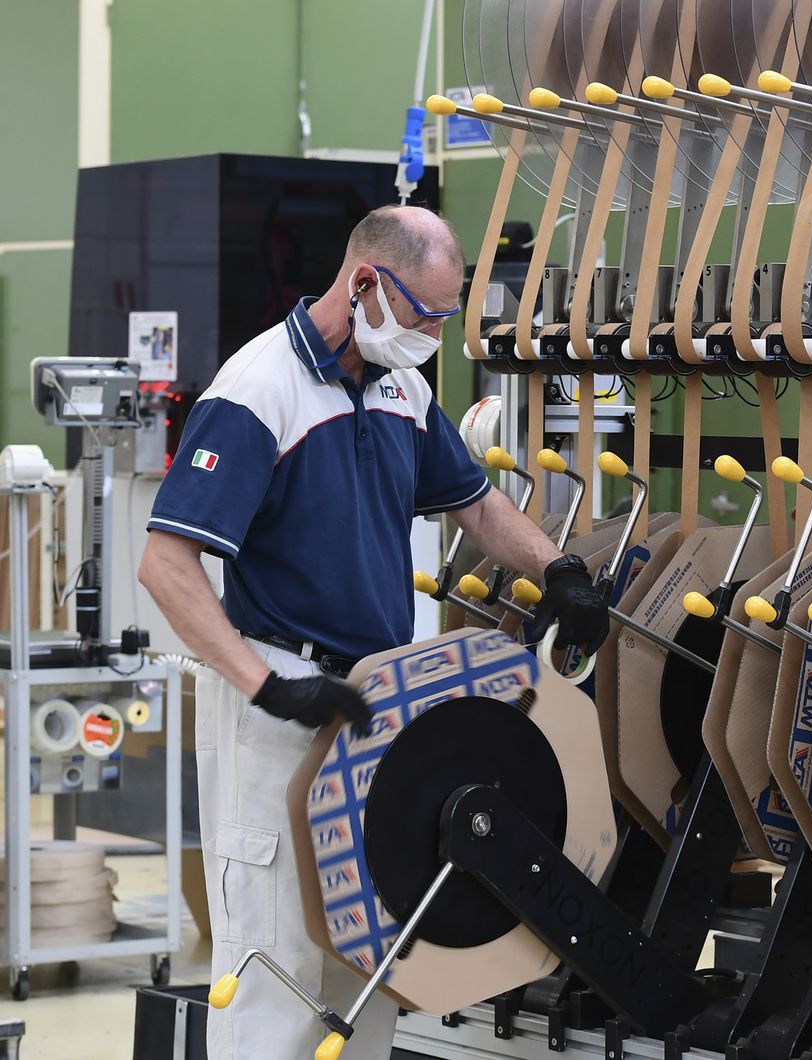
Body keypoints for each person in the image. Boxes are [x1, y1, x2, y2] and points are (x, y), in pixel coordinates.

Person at [138, 205, 609, 1059]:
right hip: (278, 706)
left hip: (382, 703)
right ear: (364, 284)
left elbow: (473, 499)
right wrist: (266, 683)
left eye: (444, 318)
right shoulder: (257, 390)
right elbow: (166, 565)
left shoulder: (403, 386)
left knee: (375, 963)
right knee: (277, 967)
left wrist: (562, 573)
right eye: (426, 314)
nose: (432, 334)